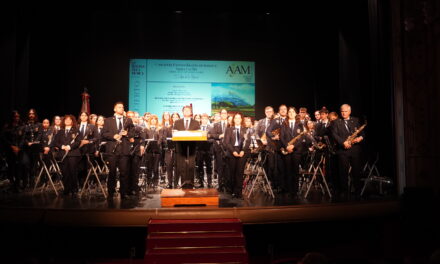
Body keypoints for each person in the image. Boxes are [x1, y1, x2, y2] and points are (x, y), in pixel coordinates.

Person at [330, 104, 365, 200]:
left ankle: (358, 191)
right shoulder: (336, 122)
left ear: (349, 111)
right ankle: (344, 191)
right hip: (343, 150)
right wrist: (343, 142)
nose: (343, 113)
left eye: (345, 111)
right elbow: (334, 135)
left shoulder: (356, 120)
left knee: (356, 171)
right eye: (342, 111)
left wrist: (360, 138)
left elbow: (362, 133)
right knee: (343, 172)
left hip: (355, 149)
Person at [101, 102, 134, 199]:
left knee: (124, 172)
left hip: (124, 150)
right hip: (112, 150)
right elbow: (103, 133)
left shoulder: (128, 120)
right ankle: (110, 192)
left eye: (123, 107)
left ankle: (123, 193)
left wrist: (127, 133)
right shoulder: (108, 120)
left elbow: (132, 133)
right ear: (114, 109)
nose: (121, 108)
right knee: (112, 172)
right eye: (119, 107)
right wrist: (113, 136)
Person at [51, 115, 81, 196]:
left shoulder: (76, 131)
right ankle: (66, 189)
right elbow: (55, 142)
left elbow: (78, 142)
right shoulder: (60, 131)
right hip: (62, 154)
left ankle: (74, 189)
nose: (67, 121)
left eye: (69, 120)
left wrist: (70, 147)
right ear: (63, 121)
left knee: (73, 171)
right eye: (66, 120)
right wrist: (62, 146)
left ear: (72, 121)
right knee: (65, 172)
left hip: (73, 154)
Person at [172, 105, 200, 189]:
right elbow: (174, 133)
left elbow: (199, 134)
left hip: (191, 148)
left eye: (188, 110)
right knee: (182, 167)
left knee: (191, 166)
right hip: (180, 148)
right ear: (182, 112)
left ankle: (190, 184)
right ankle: (183, 184)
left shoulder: (196, 122)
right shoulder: (177, 122)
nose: (187, 111)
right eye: (185, 110)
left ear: (191, 112)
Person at [224, 112, 250, 199]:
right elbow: (226, 143)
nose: (237, 120)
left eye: (239, 118)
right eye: (236, 118)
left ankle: (238, 192)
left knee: (239, 172)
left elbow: (247, 142)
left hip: (242, 152)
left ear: (241, 119)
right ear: (233, 120)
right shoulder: (229, 129)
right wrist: (233, 151)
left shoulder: (246, 130)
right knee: (232, 172)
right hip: (232, 152)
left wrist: (243, 150)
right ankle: (232, 190)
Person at [280, 107, 305, 196]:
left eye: (292, 112)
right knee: (287, 170)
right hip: (287, 150)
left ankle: (295, 190)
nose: (291, 113)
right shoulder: (284, 124)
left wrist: (293, 146)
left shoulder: (300, 124)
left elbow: (301, 137)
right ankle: (288, 189)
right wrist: (287, 146)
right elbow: (282, 137)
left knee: (295, 171)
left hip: (296, 150)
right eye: (289, 112)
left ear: (295, 113)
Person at [1, 110, 25, 192]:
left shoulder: (22, 126)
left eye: (18, 116)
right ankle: (12, 184)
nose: (17, 118)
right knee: (11, 167)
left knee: (19, 167)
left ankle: (17, 185)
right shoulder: (7, 126)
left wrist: (18, 148)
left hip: (19, 150)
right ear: (12, 117)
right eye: (15, 116)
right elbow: (4, 138)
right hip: (10, 149)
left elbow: (22, 138)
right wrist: (12, 146)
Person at [209, 109, 229, 192]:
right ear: (220, 115)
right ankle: (220, 185)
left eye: (225, 113)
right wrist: (219, 136)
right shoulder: (216, 124)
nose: (224, 114)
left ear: (227, 114)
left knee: (228, 168)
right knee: (220, 168)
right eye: (222, 113)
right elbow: (212, 135)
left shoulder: (231, 124)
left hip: (229, 149)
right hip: (219, 148)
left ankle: (228, 185)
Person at [196, 113, 213, 188]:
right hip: (199, 150)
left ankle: (209, 182)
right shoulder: (197, 128)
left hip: (208, 149)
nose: (204, 120)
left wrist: (206, 139)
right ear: (201, 119)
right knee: (200, 166)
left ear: (207, 119)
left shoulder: (211, 128)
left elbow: (213, 138)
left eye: (206, 119)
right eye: (203, 118)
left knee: (209, 166)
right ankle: (201, 182)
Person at [145, 114, 162, 188]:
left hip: (157, 151)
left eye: (155, 119)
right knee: (149, 167)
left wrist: (158, 142)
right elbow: (144, 139)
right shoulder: (146, 129)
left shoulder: (159, 129)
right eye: (152, 119)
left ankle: (155, 181)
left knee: (155, 168)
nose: (153, 120)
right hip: (148, 151)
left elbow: (160, 139)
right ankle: (148, 181)